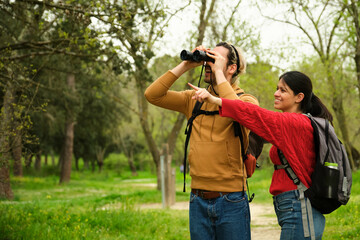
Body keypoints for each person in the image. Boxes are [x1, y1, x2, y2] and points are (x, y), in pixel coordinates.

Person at [189, 50, 330, 239]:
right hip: (293, 206)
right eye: (277, 88)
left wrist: (217, 94)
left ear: (299, 97)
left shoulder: (294, 123)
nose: (276, 93)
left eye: (283, 90)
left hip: (299, 206)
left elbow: (253, 115)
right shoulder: (291, 122)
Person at [145, 42, 259, 240]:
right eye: (207, 59)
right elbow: (152, 95)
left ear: (232, 68)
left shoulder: (247, 101)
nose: (208, 64)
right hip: (197, 198)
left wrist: (219, 75)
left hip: (231, 198)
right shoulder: (194, 99)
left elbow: (240, 113)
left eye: (214, 60)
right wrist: (186, 65)